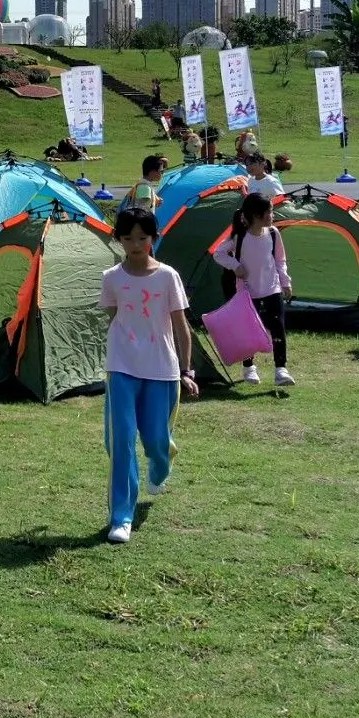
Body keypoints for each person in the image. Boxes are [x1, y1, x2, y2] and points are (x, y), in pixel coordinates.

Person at [97, 208, 199, 545]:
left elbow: (181, 326)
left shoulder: (168, 276)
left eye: (142, 237)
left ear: (154, 237)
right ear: (119, 240)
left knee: (156, 438)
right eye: (128, 238)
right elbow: (116, 317)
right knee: (121, 440)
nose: (136, 244)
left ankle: (162, 464)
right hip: (122, 366)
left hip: (162, 368)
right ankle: (121, 517)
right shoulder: (111, 277)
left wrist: (187, 370)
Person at [213, 194, 295, 386]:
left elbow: (279, 261)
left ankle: (281, 369)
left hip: (272, 288)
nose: (272, 215)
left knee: (278, 327)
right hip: (248, 292)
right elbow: (219, 253)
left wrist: (285, 282)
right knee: (248, 331)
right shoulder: (240, 237)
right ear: (257, 216)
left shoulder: (273, 234)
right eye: (269, 212)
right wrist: (235, 266)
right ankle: (249, 367)